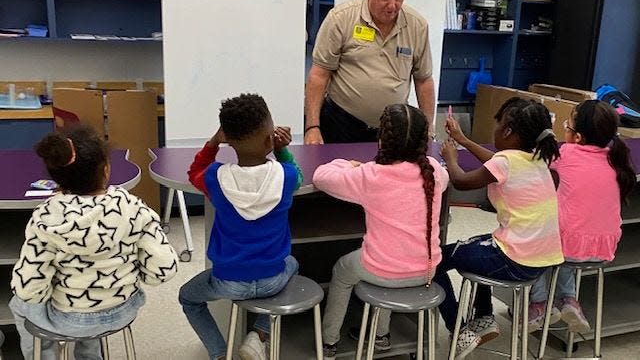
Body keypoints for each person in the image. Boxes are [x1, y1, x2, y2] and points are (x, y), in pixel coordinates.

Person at [9, 124, 179, 360]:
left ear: (56, 178)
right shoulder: (133, 208)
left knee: (18, 305)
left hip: (68, 317)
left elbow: (28, 287)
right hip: (122, 310)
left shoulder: (45, 218)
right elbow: (164, 269)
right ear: (106, 170)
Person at [313, 104, 449, 359]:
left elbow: (321, 176)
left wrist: (348, 165)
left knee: (343, 271)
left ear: (382, 138)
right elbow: (445, 178)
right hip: (428, 269)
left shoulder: (371, 175)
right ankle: (381, 335)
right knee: (390, 256)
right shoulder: (433, 170)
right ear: (424, 138)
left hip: (383, 270)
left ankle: (329, 340)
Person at [179, 93, 303, 360]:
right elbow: (297, 174)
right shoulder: (286, 177)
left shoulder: (215, 178)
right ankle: (258, 334)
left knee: (188, 298)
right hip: (273, 277)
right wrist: (282, 150)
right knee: (293, 262)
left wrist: (213, 143)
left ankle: (219, 354)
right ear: (270, 139)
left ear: (228, 139)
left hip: (228, 281)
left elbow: (194, 172)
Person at [438, 97, 564, 359]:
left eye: (498, 125)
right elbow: (498, 160)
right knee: (478, 244)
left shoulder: (505, 162)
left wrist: (451, 157)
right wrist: (463, 140)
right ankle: (484, 317)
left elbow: (460, 181)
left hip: (515, 259)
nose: (494, 130)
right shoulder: (536, 159)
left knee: (435, 259)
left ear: (507, 131)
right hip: (540, 260)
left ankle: (458, 329)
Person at [528, 100, 636, 333]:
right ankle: (569, 299)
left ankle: (539, 303)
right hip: (605, 248)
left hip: (567, 248)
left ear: (577, 136)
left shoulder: (566, 153)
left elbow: (534, 159)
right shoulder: (615, 158)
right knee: (568, 244)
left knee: (539, 244)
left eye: (568, 124)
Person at [304, 0, 436, 144]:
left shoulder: (417, 26)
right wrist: (312, 127)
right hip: (341, 124)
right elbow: (319, 75)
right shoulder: (340, 19)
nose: (392, 6)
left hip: (393, 129)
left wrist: (428, 131)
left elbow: (423, 81)